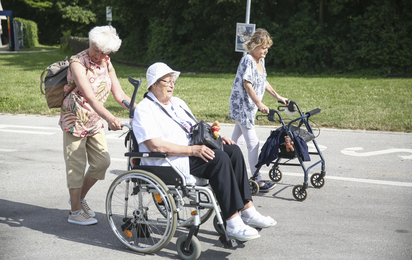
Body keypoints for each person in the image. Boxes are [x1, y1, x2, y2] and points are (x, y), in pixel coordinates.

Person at [132, 62, 276, 242]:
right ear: (153, 84)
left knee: (233, 151)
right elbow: (155, 146)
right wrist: (192, 150)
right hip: (169, 160)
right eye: (166, 81)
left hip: (190, 152)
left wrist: (216, 138)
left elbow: (194, 129)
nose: (172, 85)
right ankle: (232, 221)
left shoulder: (178, 103)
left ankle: (248, 210)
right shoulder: (145, 109)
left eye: (173, 81)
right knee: (220, 159)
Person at [59, 25, 132, 225]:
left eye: (104, 51)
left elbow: (119, 94)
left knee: (102, 162)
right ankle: (74, 212)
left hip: (94, 119)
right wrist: (110, 118)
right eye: (96, 49)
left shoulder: (107, 62)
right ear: (89, 42)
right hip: (74, 118)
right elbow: (90, 97)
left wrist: (138, 110)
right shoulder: (77, 62)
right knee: (76, 165)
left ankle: (79, 199)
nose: (99, 54)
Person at [229, 28, 288, 192]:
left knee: (235, 142)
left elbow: (263, 81)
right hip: (243, 106)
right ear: (253, 45)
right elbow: (247, 85)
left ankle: (221, 168)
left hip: (249, 106)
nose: (266, 51)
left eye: (267, 47)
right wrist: (260, 104)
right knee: (253, 144)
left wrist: (278, 97)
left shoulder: (260, 61)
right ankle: (257, 180)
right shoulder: (248, 60)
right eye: (263, 47)